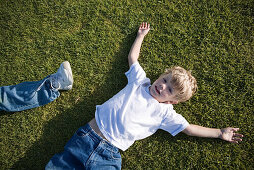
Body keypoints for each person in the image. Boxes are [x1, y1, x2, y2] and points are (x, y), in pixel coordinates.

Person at [1, 23, 243, 170]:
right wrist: (140, 37)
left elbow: (189, 128)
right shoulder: (141, 82)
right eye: (165, 80)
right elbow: (133, 59)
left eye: (169, 90)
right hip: (87, 136)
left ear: (172, 102)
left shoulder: (165, 114)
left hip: (110, 155)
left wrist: (218, 133)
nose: (162, 86)